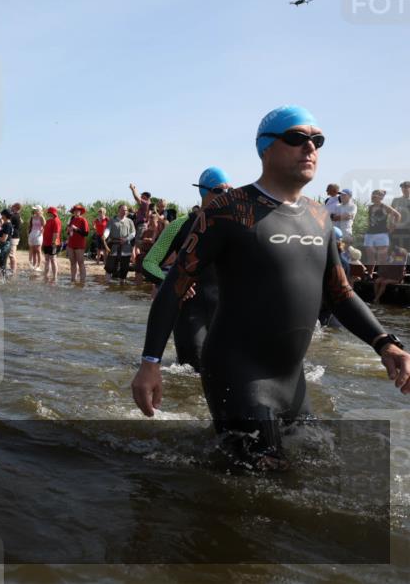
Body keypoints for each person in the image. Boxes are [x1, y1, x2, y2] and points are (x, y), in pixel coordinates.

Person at [132, 105, 410, 469]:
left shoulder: (318, 216)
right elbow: (174, 286)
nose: (309, 148)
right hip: (238, 373)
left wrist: (385, 343)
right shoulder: (228, 211)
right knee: (261, 492)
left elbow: (340, 294)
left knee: (318, 470)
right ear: (265, 148)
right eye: (296, 138)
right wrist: (150, 363)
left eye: (317, 140)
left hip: (292, 380)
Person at [141, 167, 230, 371]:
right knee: (193, 371)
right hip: (189, 310)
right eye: (219, 190)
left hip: (224, 311)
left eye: (230, 191)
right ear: (204, 192)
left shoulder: (234, 226)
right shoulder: (180, 225)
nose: (226, 196)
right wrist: (171, 283)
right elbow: (149, 262)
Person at [363, 189, 402, 267]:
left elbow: (397, 215)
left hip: (382, 234)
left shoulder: (384, 206)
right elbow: (369, 220)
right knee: (370, 258)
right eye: (372, 195)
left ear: (380, 197)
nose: (372, 197)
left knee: (382, 259)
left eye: (375, 196)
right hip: (370, 234)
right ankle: (370, 276)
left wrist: (393, 226)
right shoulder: (370, 207)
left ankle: (382, 276)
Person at [104, 204, 136, 282]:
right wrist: (104, 235)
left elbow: (133, 233)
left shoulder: (130, 221)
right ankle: (107, 284)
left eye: (125, 210)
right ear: (118, 210)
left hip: (126, 248)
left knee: (124, 269)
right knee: (109, 267)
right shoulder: (112, 220)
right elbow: (108, 229)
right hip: (114, 247)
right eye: (122, 210)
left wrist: (126, 239)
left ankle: (122, 284)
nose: (124, 212)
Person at [66, 205, 89, 283]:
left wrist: (76, 229)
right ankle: (73, 279)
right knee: (72, 262)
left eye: (78, 210)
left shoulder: (83, 220)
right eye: (75, 210)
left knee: (80, 262)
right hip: (71, 243)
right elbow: (68, 232)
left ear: (80, 211)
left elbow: (86, 233)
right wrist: (68, 230)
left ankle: (82, 281)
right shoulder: (71, 219)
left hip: (79, 244)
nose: (76, 212)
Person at [41, 206, 61, 283]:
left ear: (53, 213)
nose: (48, 214)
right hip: (46, 243)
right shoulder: (49, 220)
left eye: (50, 213)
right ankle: (46, 276)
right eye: (48, 213)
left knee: (53, 259)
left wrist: (53, 242)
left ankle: (54, 277)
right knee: (47, 260)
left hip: (53, 243)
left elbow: (56, 233)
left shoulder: (56, 221)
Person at [0, 209, 14, 277]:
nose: (1, 216)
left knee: (2, 263)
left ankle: (4, 279)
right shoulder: (5, 224)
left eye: (1, 214)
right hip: (1, 246)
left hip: (5, 246)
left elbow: (4, 239)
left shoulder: (7, 225)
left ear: (4, 215)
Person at [392, 180, 410, 251]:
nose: (405, 189)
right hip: (397, 229)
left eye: (407, 187)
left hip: (408, 229)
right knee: (397, 250)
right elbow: (391, 214)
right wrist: (391, 225)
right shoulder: (396, 200)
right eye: (403, 187)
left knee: (408, 250)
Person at [28, 205, 45, 269]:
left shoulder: (41, 217)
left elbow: (44, 224)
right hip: (32, 233)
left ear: (39, 210)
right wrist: (28, 233)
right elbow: (29, 226)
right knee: (33, 250)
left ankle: (38, 265)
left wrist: (41, 215)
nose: (35, 211)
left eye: (36, 210)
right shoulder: (32, 217)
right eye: (35, 210)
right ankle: (34, 265)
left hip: (39, 234)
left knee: (38, 250)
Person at [8, 203, 22, 276]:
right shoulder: (17, 216)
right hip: (15, 236)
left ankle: (13, 271)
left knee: (12, 255)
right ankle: (12, 269)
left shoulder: (14, 216)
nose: (11, 208)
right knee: (11, 255)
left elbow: (8, 220)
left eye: (12, 206)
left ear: (16, 208)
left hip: (14, 237)